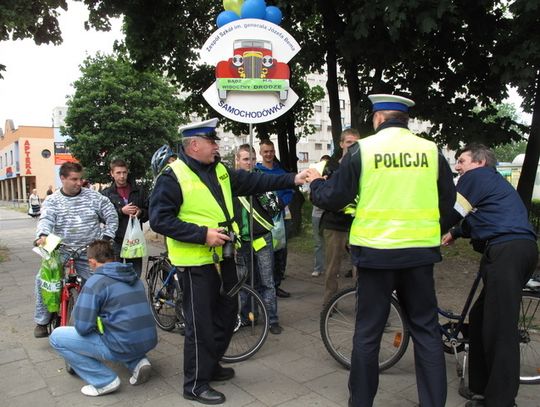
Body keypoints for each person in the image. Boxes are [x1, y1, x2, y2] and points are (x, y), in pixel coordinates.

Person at [308, 94, 456, 407]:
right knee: (426, 332)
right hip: (419, 255)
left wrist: (316, 183)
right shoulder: (430, 150)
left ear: (377, 118)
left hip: (376, 256)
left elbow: (334, 197)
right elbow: (447, 201)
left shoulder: (365, 149)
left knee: (368, 334)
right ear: (406, 120)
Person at [149, 118, 308, 405]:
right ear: (194, 145)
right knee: (201, 326)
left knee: (226, 316)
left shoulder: (219, 170)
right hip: (196, 263)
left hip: (224, 259)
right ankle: (195, 384)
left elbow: (256, 180)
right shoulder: (172, 176)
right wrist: (201, 235)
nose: (217, 146)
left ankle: (211, 366)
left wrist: (293, 179)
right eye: (212, 141)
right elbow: (160, 219)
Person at [441, 143, 538, 407]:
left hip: (507, 251)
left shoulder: (476, 177)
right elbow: (476, 220)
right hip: (518, 250)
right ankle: (480, 387)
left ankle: (501, 401)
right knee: (481, 317)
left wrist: (423, 233)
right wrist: (456, 232)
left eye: (462, 161)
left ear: (480, 162)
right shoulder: (493, 184)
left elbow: (451, 211)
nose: (458, 166)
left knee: (500, 329)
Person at [49, 240, 157, 397]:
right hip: (147, 340)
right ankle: (138, 361)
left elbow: (83, 328)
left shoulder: (95, 282)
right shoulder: (133, 277)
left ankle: (104, 381)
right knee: (121, 326)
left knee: (57, 337)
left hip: (121, 343)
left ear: (92, 262)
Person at [33, 162, 118, 338]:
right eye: (74, 179)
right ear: (62, 178)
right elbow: (46, 220)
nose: (79, 183)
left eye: (81, 179)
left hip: (89, 250)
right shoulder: (53, 200)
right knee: (43, 279)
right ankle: (42, 320)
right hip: (60, 247)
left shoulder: (95, 198)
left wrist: (106, 238)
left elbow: (111, 215)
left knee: (99, 283)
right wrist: (42, 235)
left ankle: (99, 319)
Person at [235, 144, 283, 335]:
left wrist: (263, 193)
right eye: (246, 159)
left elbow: (275, 206)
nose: (250, 163)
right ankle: (248, 316)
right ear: (237, 160)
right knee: (245, 282)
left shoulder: (261, 179)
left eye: (253, 159)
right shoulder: (230, 182)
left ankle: (272, 318)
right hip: (242, 240)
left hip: (262, 237)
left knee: (267, 281)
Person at [319, 129, 360, 305]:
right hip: (334, 225)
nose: (353, 146)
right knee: (331, 269)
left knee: (362, 269)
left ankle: (365, 306)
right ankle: (329, 305)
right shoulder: (331, 167)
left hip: (358, 224)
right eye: (349, 142)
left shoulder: (363, 166)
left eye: (356, 143)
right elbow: (322, 195)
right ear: (341, 144)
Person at [256, 139, 293, 298]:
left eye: (271, 151)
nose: (269, 154)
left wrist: (280, 204)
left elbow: (290, 191)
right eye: (266, 151)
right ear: (260, 153)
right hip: (263, 220)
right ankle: (265, 286)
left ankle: (276, 285)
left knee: (281, 254)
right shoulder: (256, 173)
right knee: (265, 255)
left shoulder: (281, 172)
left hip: (281, 219)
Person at [102, 159, 149, 277]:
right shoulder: (106, 194)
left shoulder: (139, 191)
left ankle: (132, 295)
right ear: (112, 173)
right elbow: (102, 217)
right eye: (118, 173)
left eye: (124, 172)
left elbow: (149, 213)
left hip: (134, 241)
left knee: (134, 276)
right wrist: (121, 211)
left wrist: (140, 212)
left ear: (128, 172)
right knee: (115, 277)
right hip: (115, 241)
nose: (122, 176)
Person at [311, 154, 331, 277]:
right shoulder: (315, 177)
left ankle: (331, 269)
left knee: (330, 243)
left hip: (329, 215)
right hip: (317, 215)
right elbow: (313, 197)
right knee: (318, 242)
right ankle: (318, 267)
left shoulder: (333, 178)